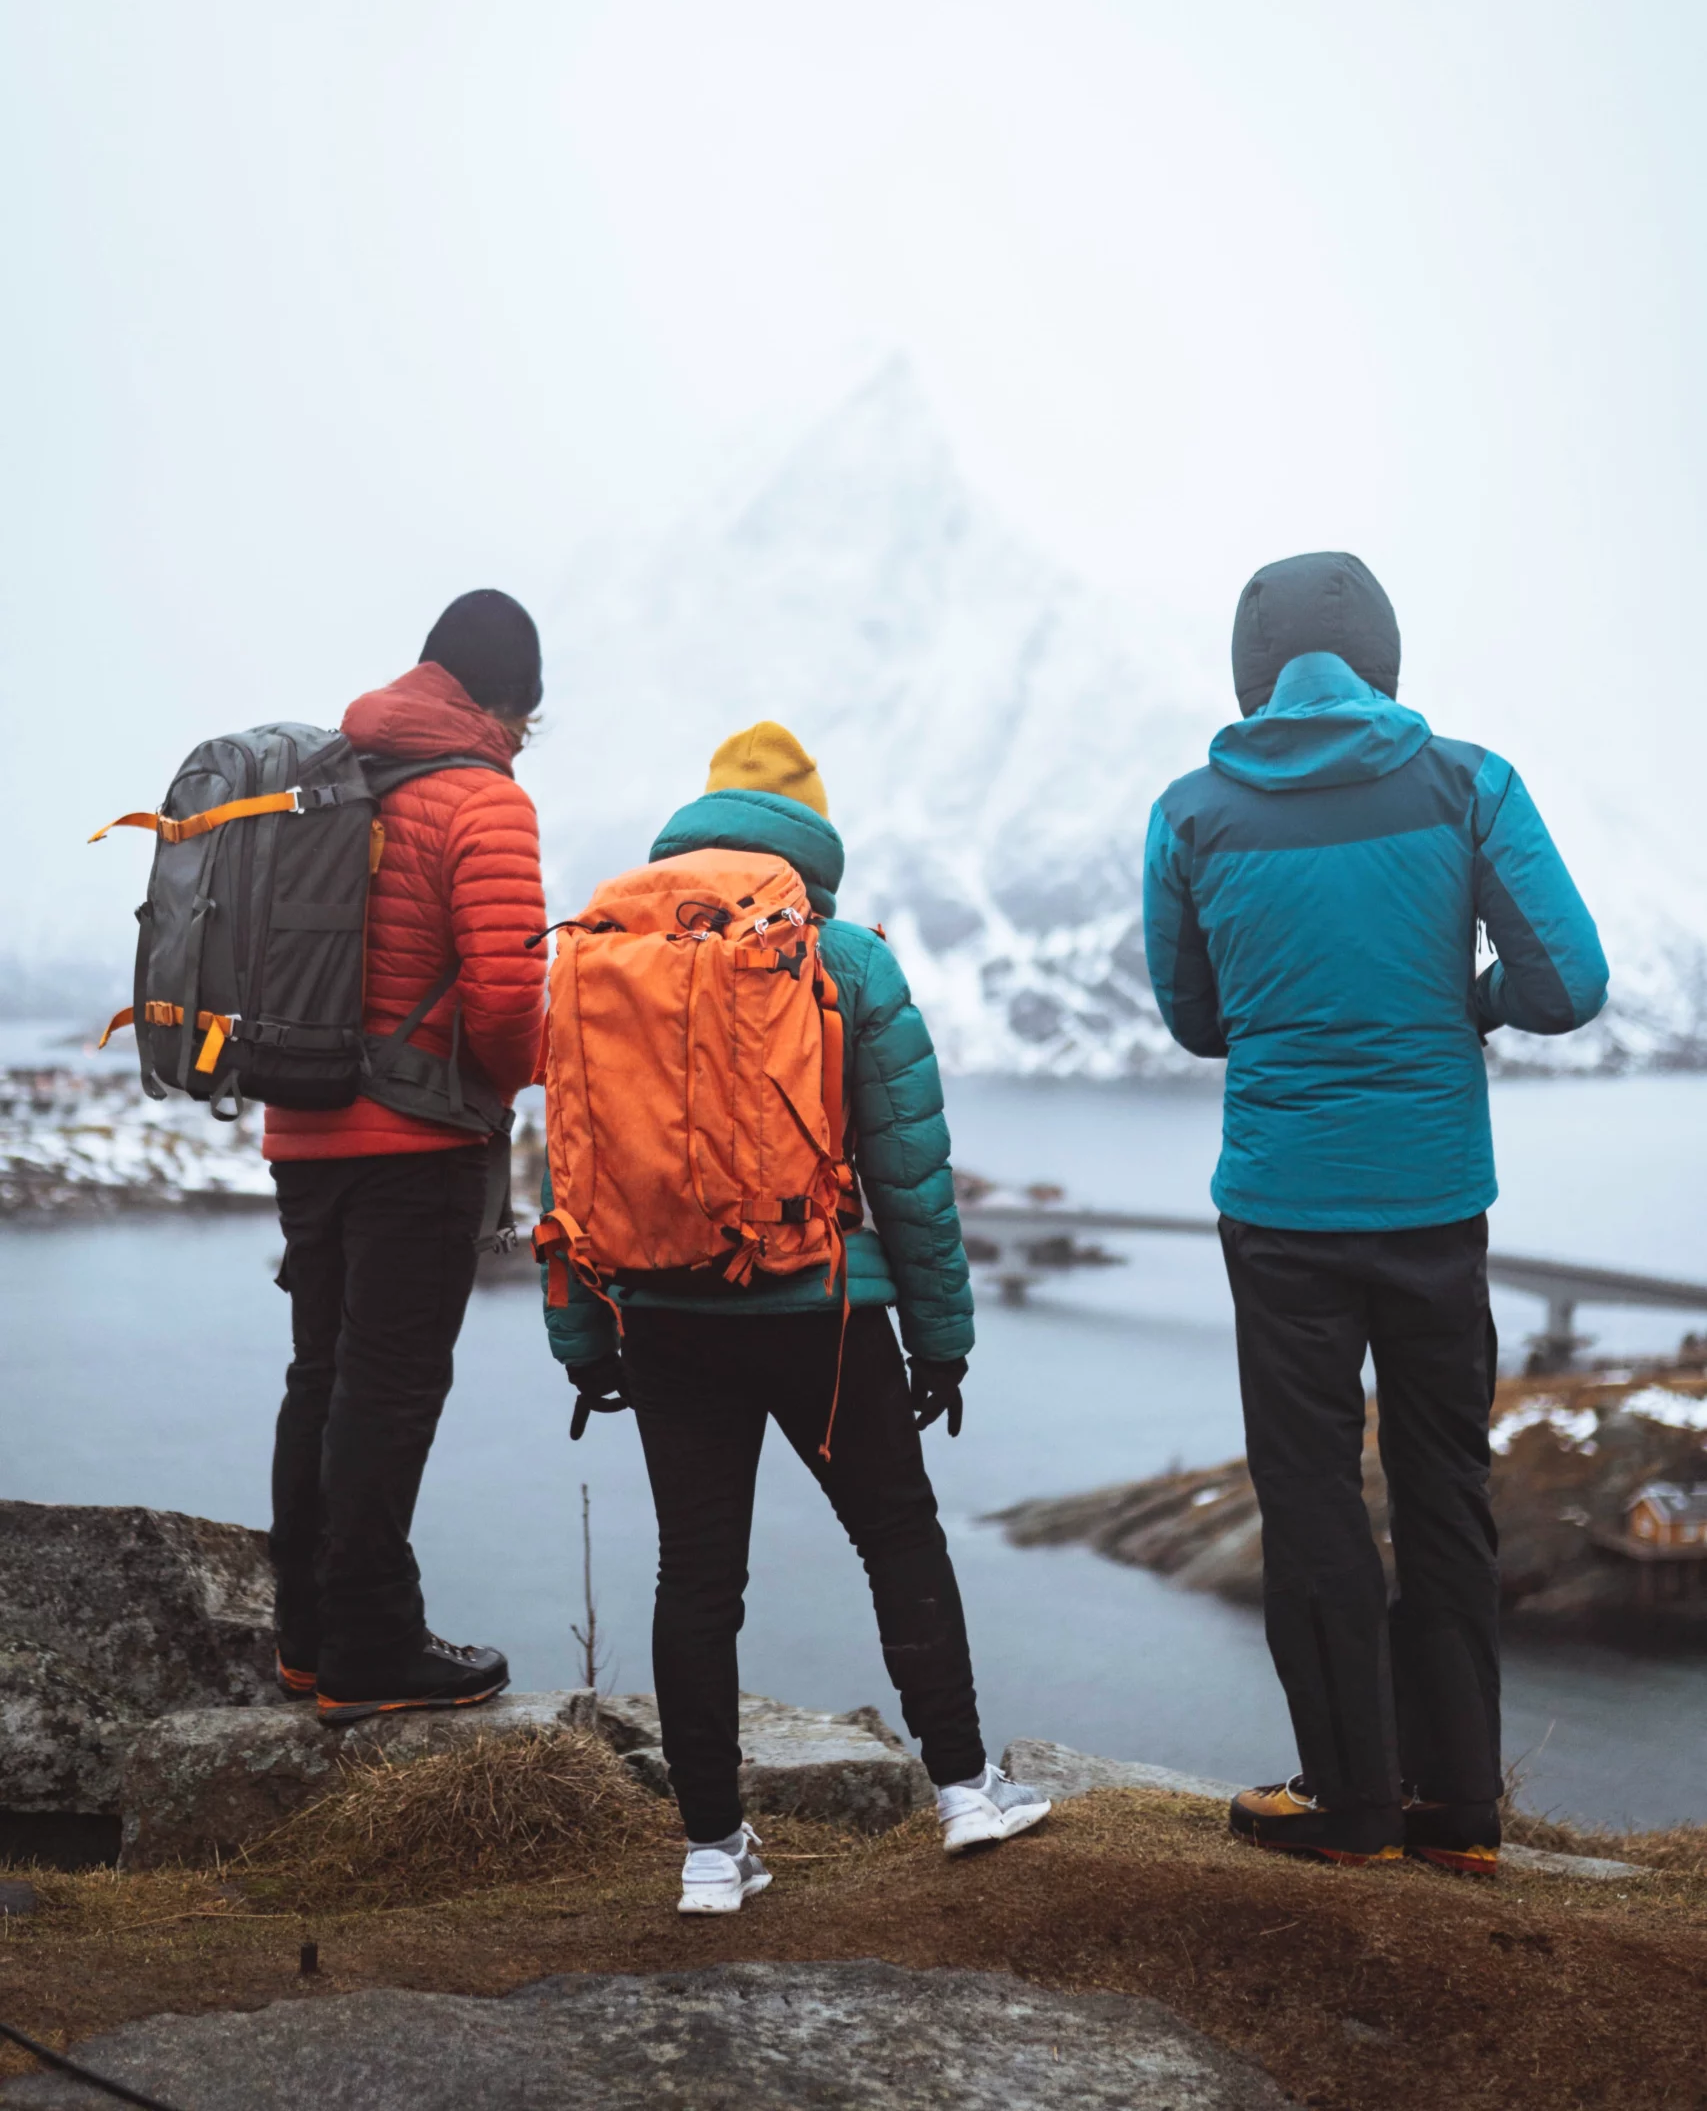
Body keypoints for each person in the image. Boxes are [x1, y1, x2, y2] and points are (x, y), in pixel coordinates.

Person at [1143, 553, 1607, 1875]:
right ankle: (1456, 1809)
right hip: (1430, 1202)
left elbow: (1192, 1021)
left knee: (1306, 1501)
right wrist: (1463, 1000)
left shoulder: (1189, 814)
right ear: (1384, 659)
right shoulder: (1467, 784)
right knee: (1442, 1494)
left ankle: (1347, 1807)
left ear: (1249, 668)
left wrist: (1288, 1015)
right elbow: (1564, 981)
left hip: (1280, 1213)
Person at [545, 721, 1050, 1912]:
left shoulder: (604, 951)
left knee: (696, 1576)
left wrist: (585, 1339)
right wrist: (941, 1338)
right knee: (898, 1536)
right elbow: (912, 1176)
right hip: (817, 1313)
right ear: (811, 840)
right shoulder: (846, 958)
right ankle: (967, 1790)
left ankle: (713, 1853)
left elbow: (568, 1170)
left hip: (661, 1313)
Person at [265, 590, 547, 1723]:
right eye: (524, 713)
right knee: (390, 1391)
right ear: (496, 699)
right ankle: (374, 1647)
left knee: (319, 1379)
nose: (524, 736)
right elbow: (506, 997)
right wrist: (513, 1080)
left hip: (304, 1130)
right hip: (416, 1142)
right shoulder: (483, 801)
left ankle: (308, 1634)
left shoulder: (332, 775)